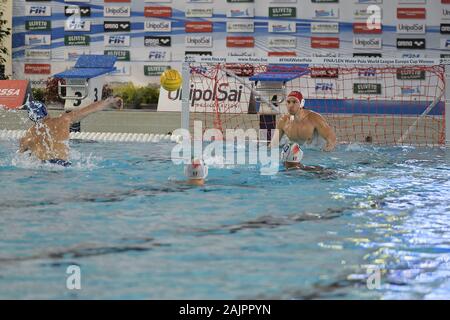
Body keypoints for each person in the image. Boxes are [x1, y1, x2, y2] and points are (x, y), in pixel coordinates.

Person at [18, 96, 123, 166]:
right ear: (46, 111)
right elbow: (90, 109)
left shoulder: (26, 137)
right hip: (63, 166)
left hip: (44, 167)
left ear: (31, 117)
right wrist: (111, 101)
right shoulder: (63, 120)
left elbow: (21, 160)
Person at [270, 91, 337, 152]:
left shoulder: (314, 118)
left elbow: (332, 139)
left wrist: (325, 152)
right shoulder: (283, 121)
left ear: (301, 103)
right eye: (288, 102)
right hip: (295, 154)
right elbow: (273, 144)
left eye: (294, 102)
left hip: (315, 154)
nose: (290, 105)